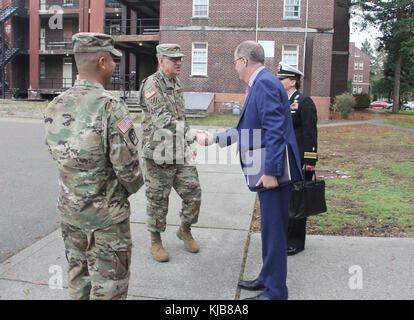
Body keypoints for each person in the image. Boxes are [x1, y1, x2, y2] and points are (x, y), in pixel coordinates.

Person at [44, 32, 143, 300]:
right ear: (102, 62)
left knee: (78, 278)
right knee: (109, 286)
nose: (114, 66)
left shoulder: (55, 105)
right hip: (106, 220)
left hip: (70, 213)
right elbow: (129, 171)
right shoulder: (111, 107)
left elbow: (58, 156)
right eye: (113, 60)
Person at [204, 41, 302, 300]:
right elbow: (247, 128)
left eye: (235, 62)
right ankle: (267, 278)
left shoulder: (266, 84)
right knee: (270, 230)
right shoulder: (260, 83)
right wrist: (214, 139)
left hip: (273, 173)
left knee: (274, 233)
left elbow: (275, 130)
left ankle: (275, 292)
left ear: (244, 61)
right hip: (265, 169)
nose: (235, 68)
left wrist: (270, 172)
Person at [139, 43, 210, 263]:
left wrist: (189, 146)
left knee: (193, 192)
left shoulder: (176, 83)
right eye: (174, 59)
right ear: (161, 60)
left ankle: (184, 229)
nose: (179, 62)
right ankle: (155, 240)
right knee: (158, 200)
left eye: (180, 58)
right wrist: (192, 134)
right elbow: (163, 121)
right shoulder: (152, 85)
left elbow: (181, 118)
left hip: (179, 153)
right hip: (158, 154)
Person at [277, 62, 318, 256]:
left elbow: (311, 132)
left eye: (282, 79)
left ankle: (296, 242)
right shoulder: (281, 101)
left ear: (293, 81)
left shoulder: (304, 101)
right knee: (286, 200)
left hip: (300, 160)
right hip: (284, 159)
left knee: (298, 201)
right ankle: (284, 237)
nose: (279, 82)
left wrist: (310, 160)